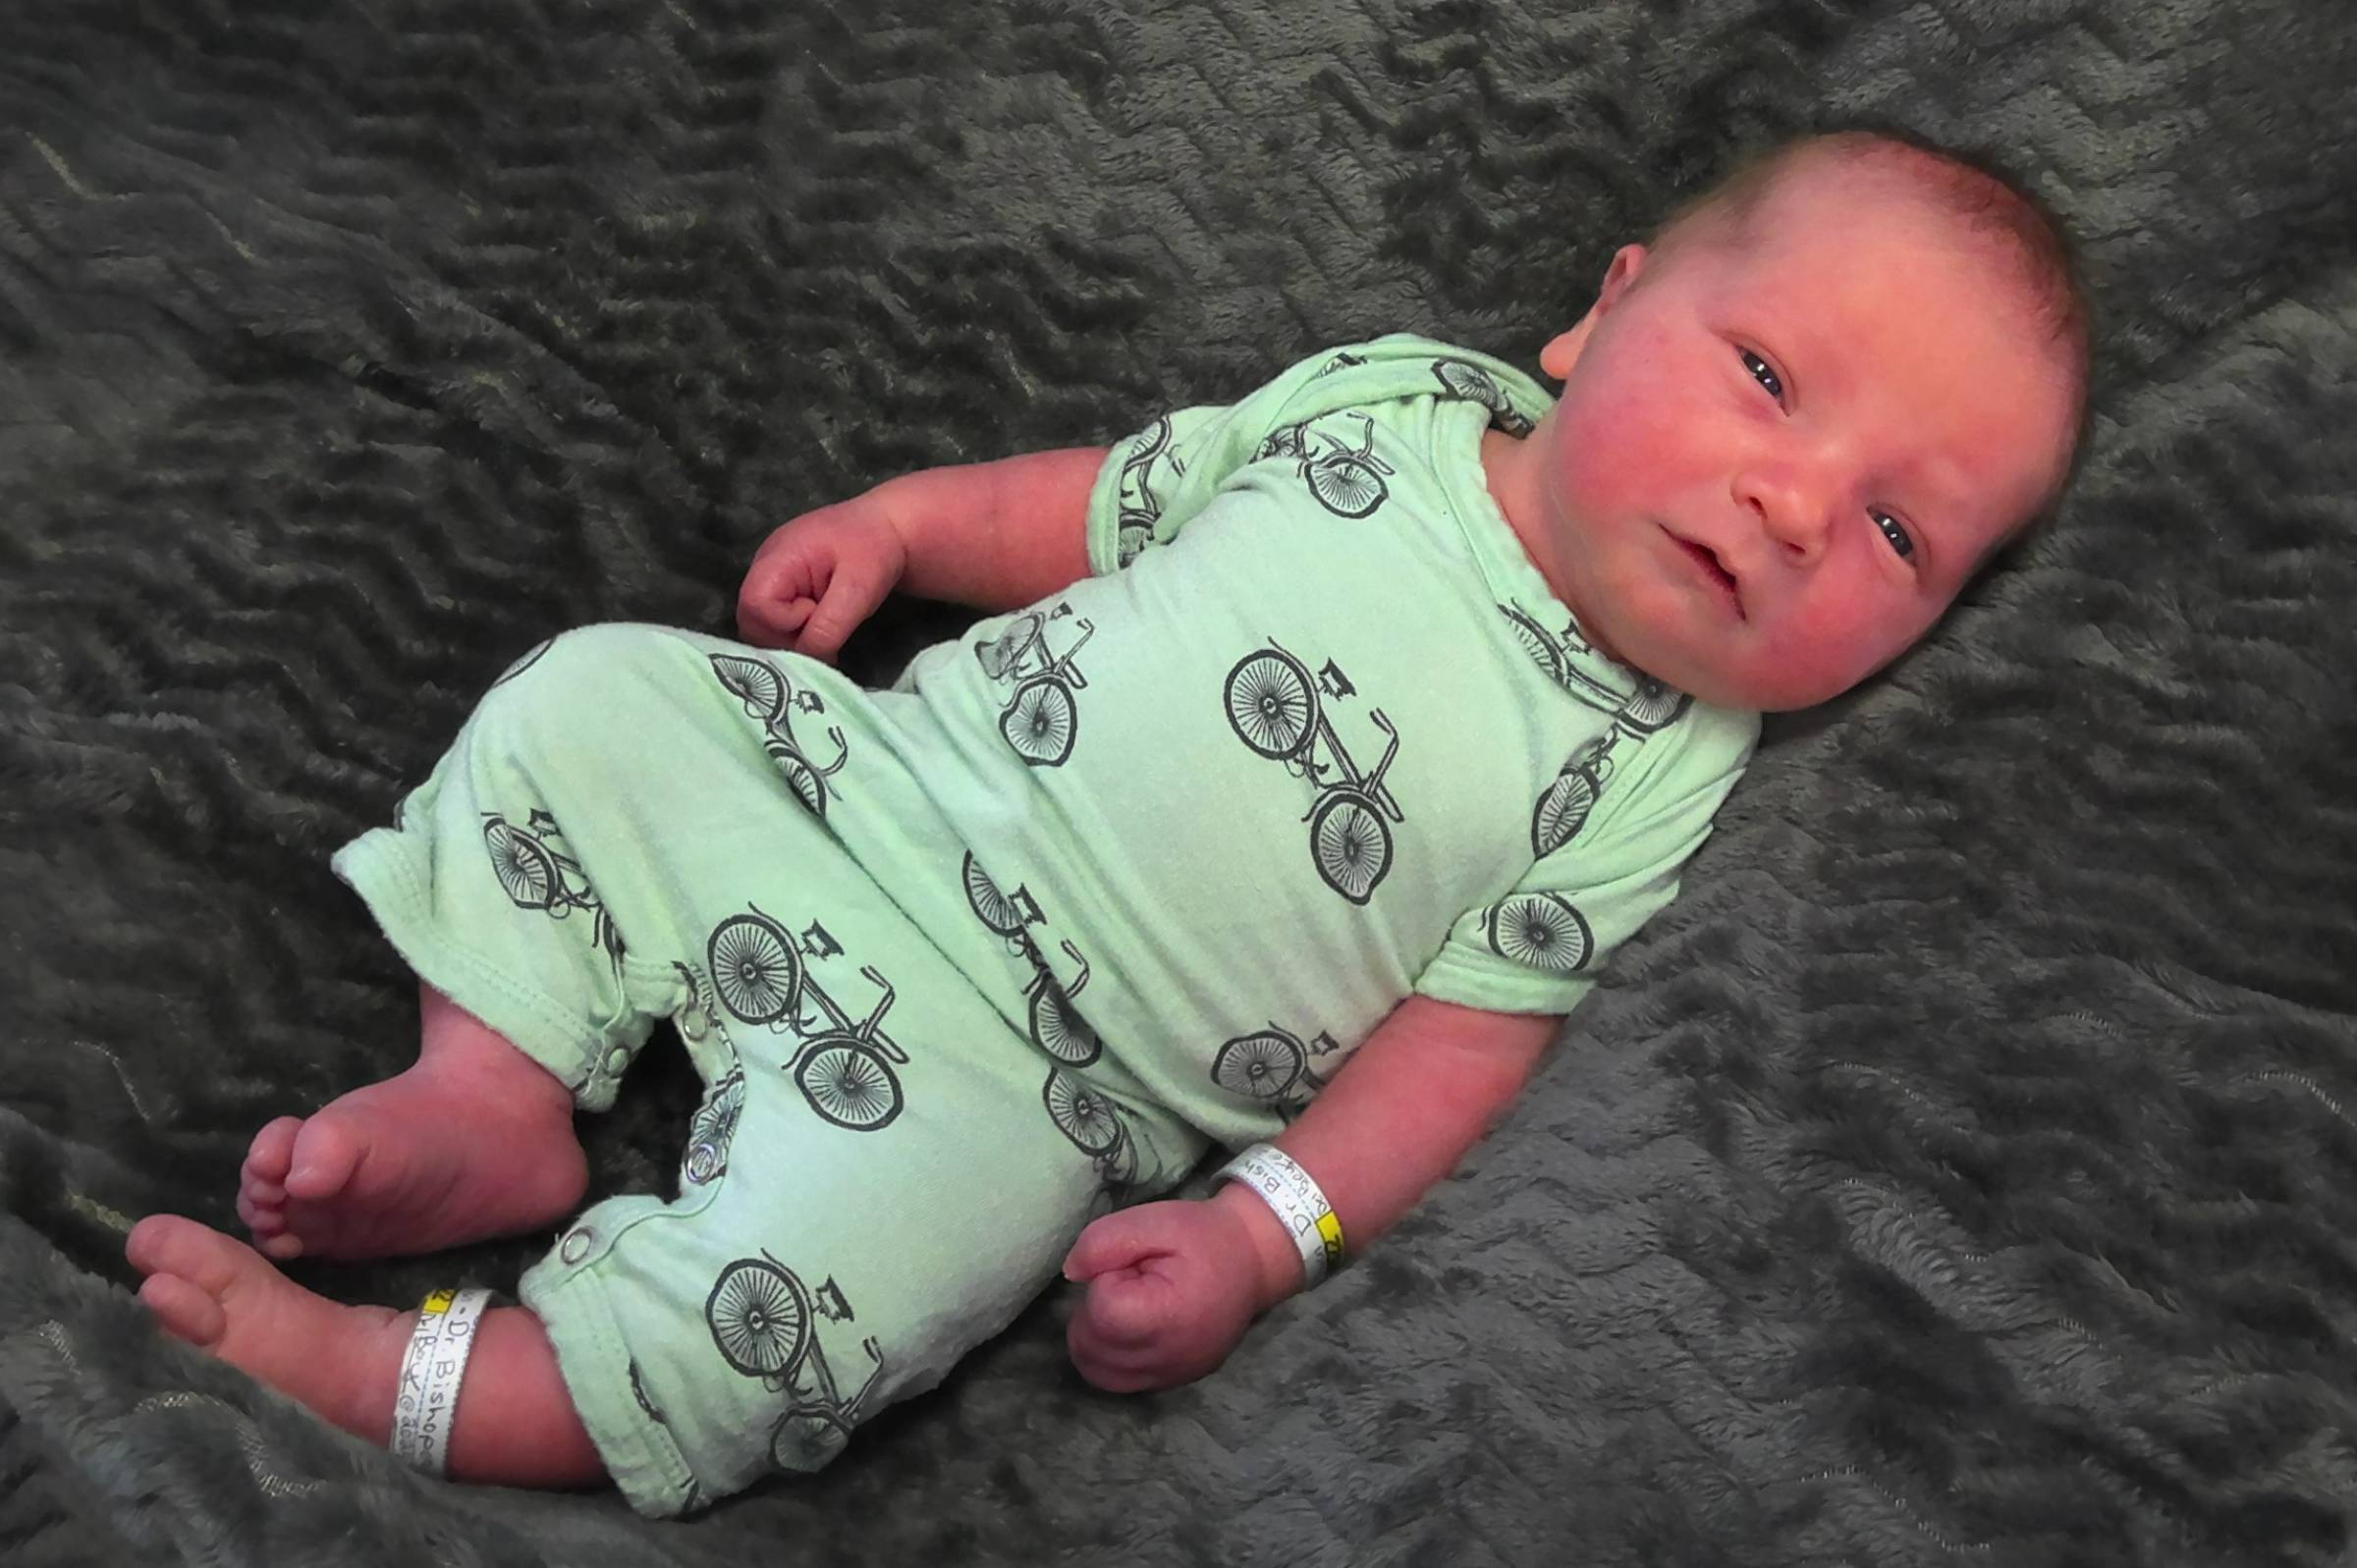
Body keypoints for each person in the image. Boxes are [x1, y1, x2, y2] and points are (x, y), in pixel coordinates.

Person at [124, 129, 2090, 1517]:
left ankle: (395, 1380)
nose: (1793, 504)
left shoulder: (1651, 759)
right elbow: (1117, 500)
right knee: (594, 699)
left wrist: (1263, 1232)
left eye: (1897, 529)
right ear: (1604, 313)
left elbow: (1463, 1045)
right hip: (863, 784)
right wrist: (904, 526)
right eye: (1768, 377)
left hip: (1032, 1083)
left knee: (815, 1313)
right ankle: (491, 1085)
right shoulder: (1392, 407)